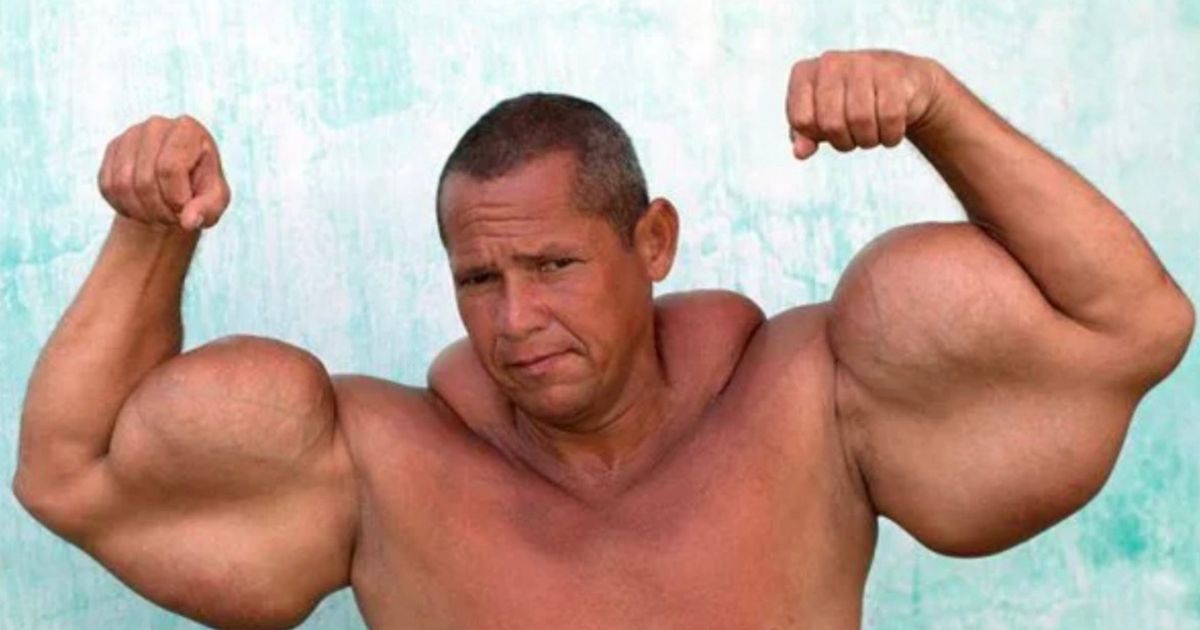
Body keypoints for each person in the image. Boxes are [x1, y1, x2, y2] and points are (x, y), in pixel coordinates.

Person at [12, 49, 1194, 629]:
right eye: (480, 279)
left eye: (554, 266)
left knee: (913, 291)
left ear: (653, 242)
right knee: (257, 394)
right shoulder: (379, 468)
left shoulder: (814, 401)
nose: (515, 321)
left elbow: (1131, 324)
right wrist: (148, 233)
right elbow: (66, 476)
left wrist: (940, 108)